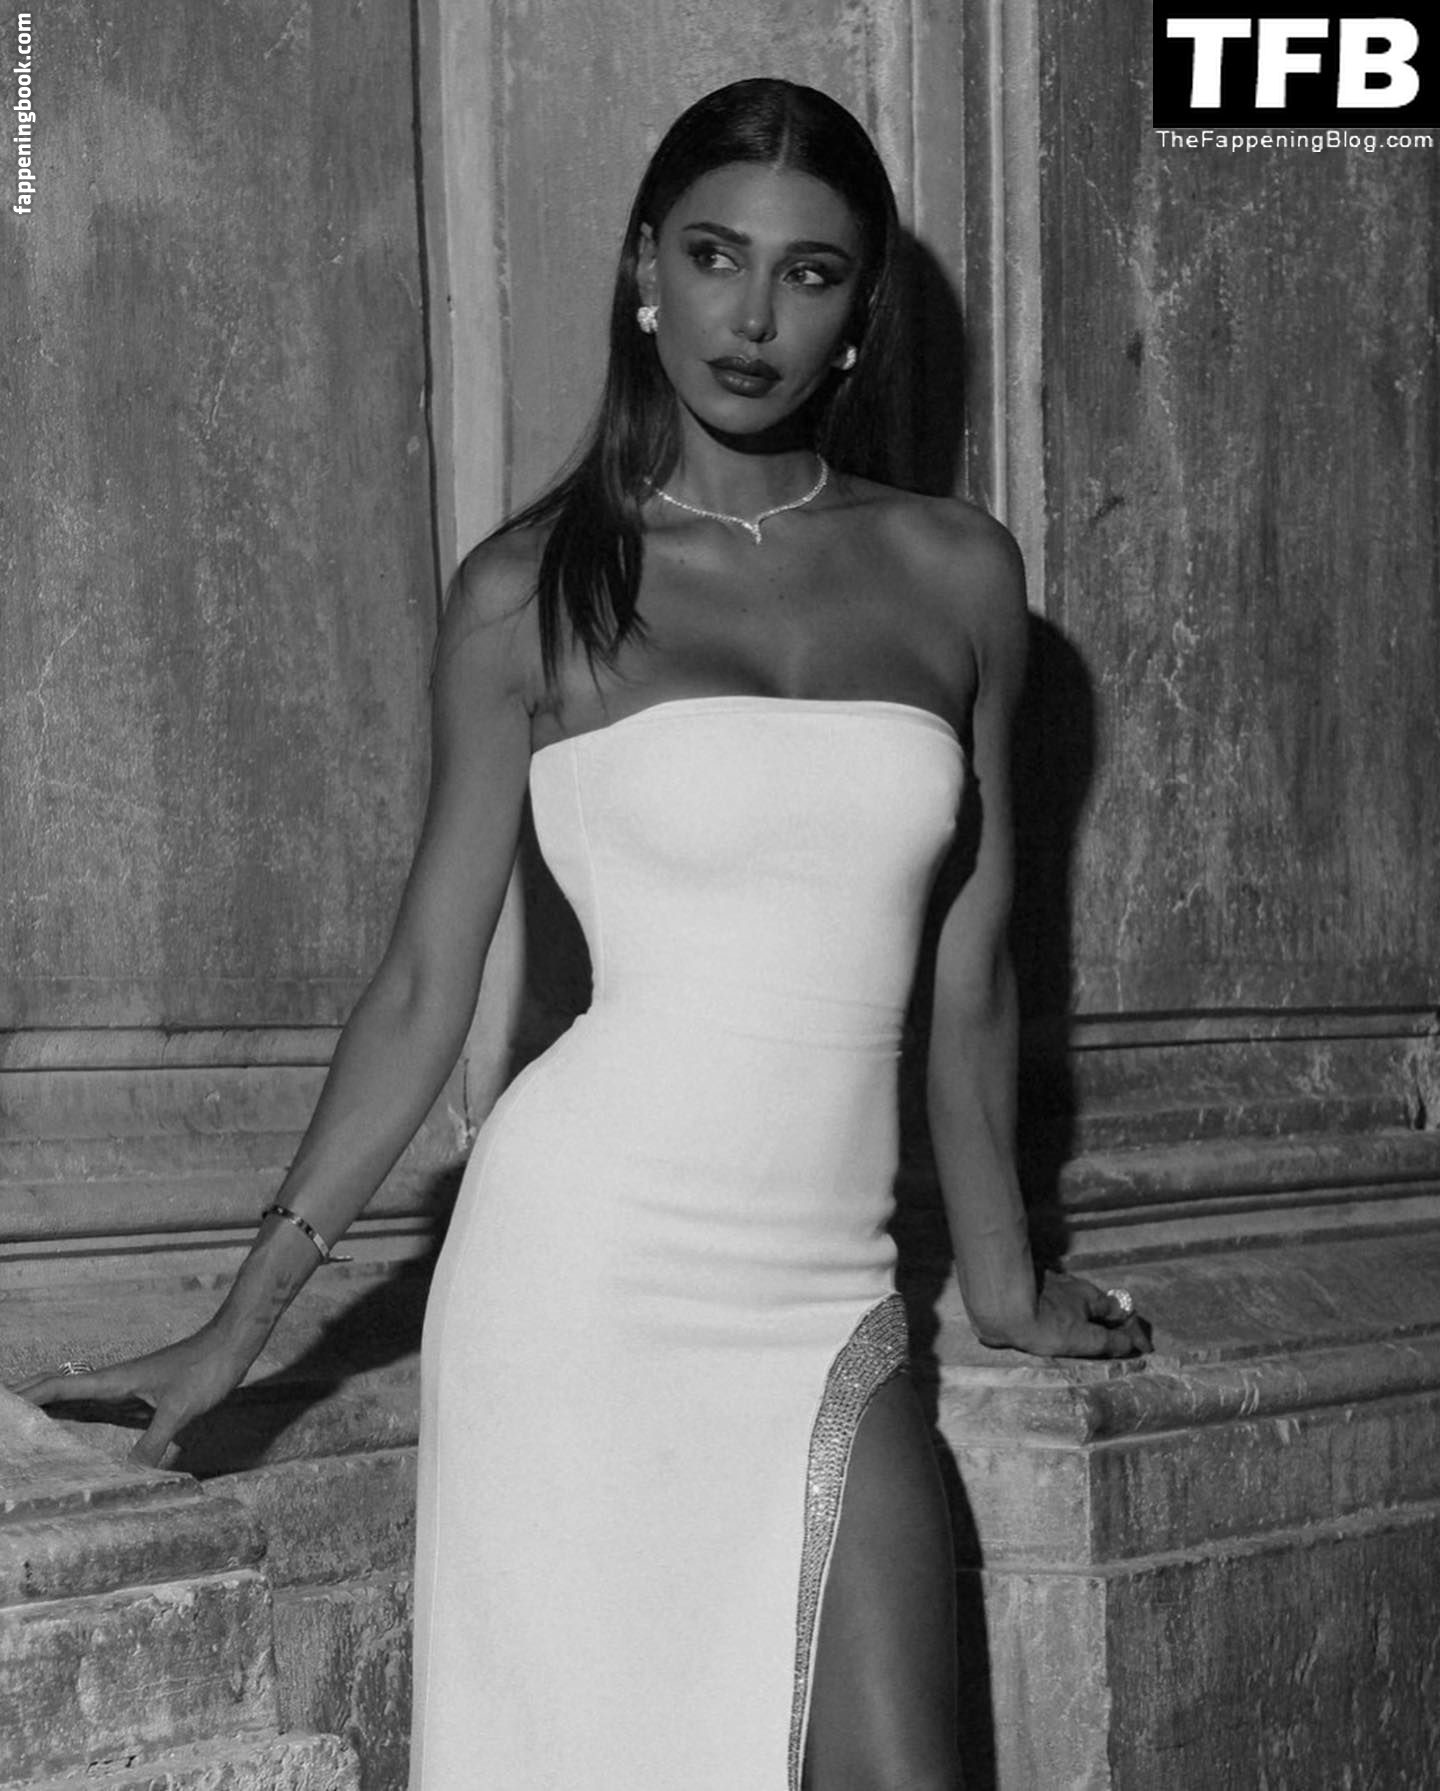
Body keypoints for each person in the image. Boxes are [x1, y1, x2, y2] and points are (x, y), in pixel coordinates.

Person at [19, 78, 1150, 1791]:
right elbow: (424, 983)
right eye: (713, 256)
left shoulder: (957, 574)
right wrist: (242, 1329)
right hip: (580, 1280)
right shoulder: (530, 591)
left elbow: (974, 972)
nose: (752, 318)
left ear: (860, 311)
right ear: (643, 272)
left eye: (809, 273)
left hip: (826, 1297)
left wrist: (1002, 1283)